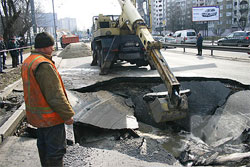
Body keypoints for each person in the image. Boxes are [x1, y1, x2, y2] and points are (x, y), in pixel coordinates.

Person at [21, 32, 75, 167]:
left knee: (43, 147)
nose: (53, 48)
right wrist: (67, 115)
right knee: (55, 151)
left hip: (38, 116)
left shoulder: (29, 61)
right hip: (51, 117)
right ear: (44, 47)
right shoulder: (44, 64)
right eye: (51, 45)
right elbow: (55, 95)